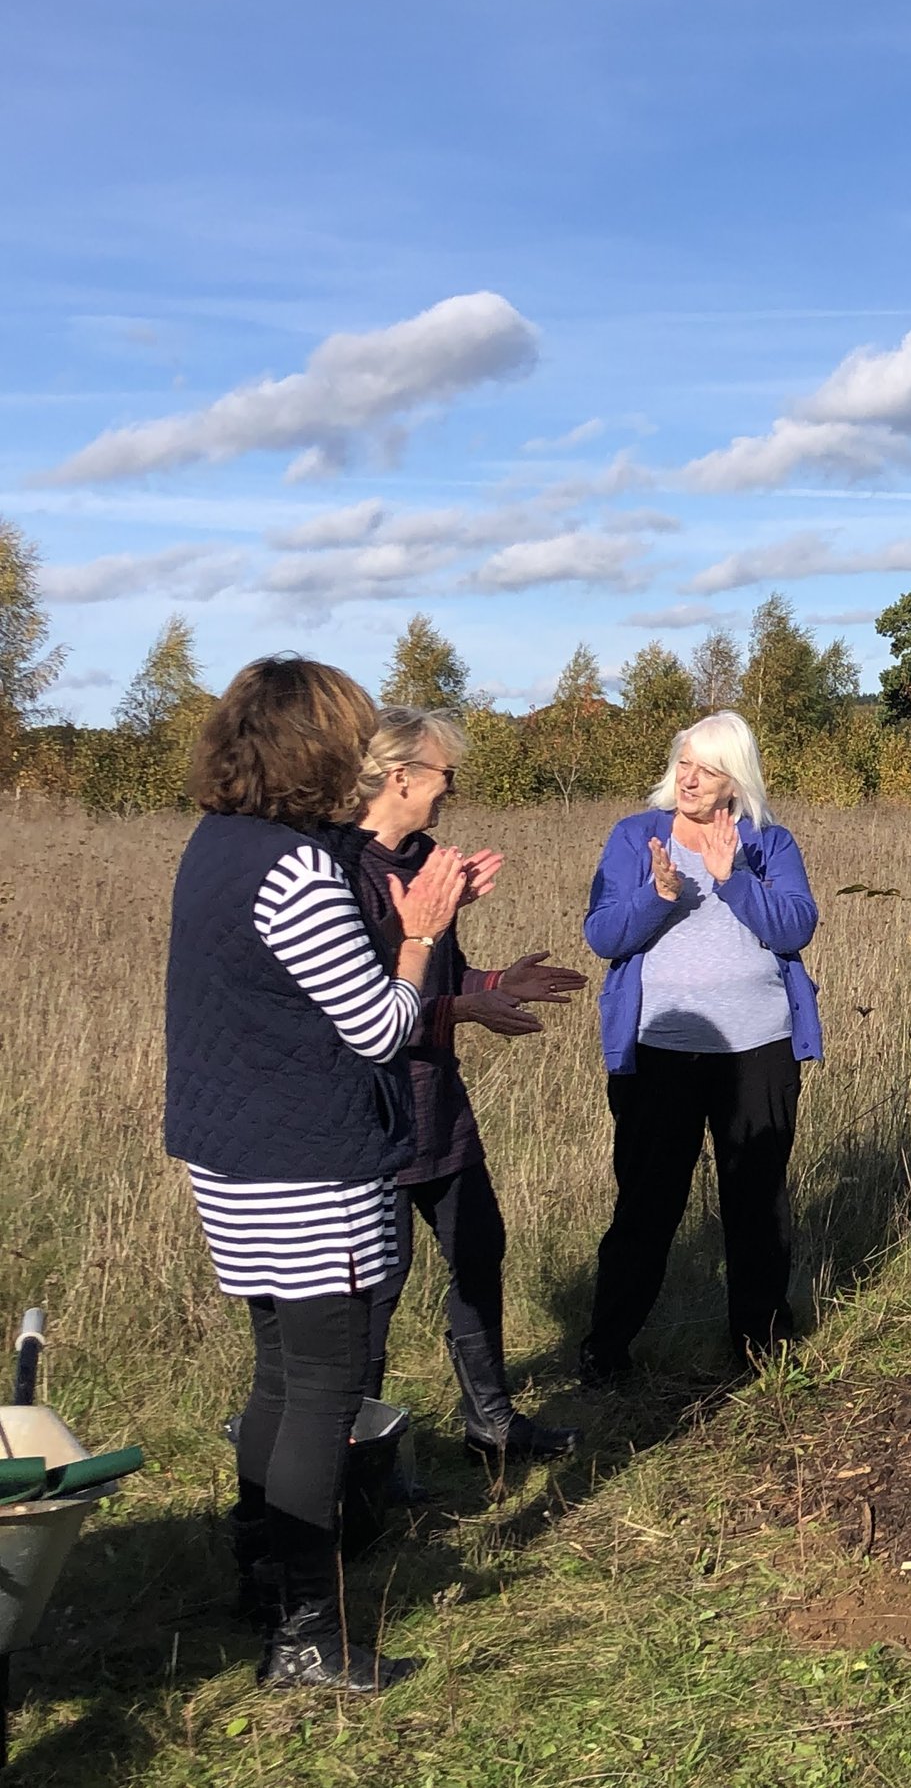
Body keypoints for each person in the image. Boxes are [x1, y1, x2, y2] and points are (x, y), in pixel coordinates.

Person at [167, 656, 460, 1692]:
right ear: (315, 748)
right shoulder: (294, 874)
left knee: (279, 1378)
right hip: (307, 1166)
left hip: (234, 1157)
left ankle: (262, 1571)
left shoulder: (221, 844)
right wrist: (421, 933)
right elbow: (380, 1026)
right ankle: (306, 1635)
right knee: (321, 1391)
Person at [334, 707, 586, 1465]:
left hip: (438, 1108)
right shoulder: (342, 871)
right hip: (369, 1118)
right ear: (400, 775)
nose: (452, 790)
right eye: (447, 774)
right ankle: (356, 1459)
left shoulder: (426, 859)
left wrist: (497, 981)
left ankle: (492, 1426)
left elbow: (438, 976)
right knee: (376, 1290)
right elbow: (357, 1012)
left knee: (480, 1250)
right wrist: (458, 1007)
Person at [577, 711, 821, 1384]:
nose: (688, 777)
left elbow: (797, 923)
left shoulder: (769, 842)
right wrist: (659, 896)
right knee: (647, 1204)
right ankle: (606, 1349)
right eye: (684, 761)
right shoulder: (636, 836)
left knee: (757, 1199)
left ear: (734, 780)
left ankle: (759, 1344)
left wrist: (734, 876)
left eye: (706, 767)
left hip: (758, 1047)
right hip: (660, 1052)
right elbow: (603, 933)